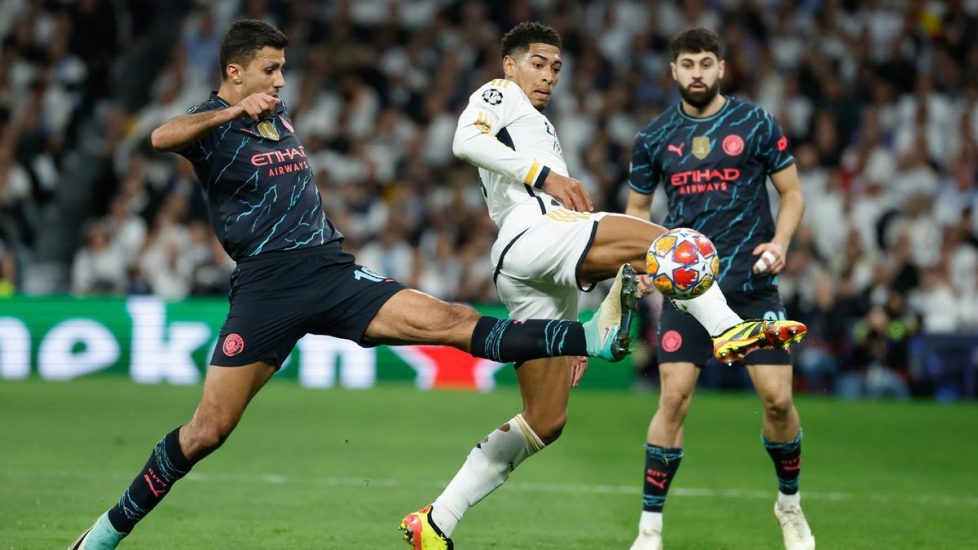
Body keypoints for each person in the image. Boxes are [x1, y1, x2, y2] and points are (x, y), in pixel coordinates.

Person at [68, 19, 640, 550]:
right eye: (271, 69)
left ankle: (588, 337)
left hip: (331, 271)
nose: (281, 80)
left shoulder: (277, 116)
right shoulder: (211, 123)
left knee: (452, 321)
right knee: (207, 431)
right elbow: (159, 137)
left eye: (282, 68)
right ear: (235, 72)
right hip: (267, 288)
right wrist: (230, 112)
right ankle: (102, 537)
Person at [400, 22, 807, 550]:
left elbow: (558, 254)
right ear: (509, 64)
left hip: (527, 264)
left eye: (555, 68)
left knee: (545, 420)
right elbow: (465, 140)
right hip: (533, 230)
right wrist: (546, 177)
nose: (548, 76)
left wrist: (571, 333)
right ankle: (727, 327)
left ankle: (436, 521)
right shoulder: (499, 93)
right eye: (537, 64)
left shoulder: (537, 122)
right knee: (673, 244)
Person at [625, 28, 815, 550]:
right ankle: (649, 531)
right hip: (688, 291)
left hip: (752, 284)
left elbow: (793, 193)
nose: (697, 73)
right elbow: (637, 212)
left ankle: (789, 505)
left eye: (706, 63)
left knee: (778, 400)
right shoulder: (653, 137)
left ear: (721, 68)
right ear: (673, 70)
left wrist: (780, 242)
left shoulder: (755, 123)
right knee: (673, 398)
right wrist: (643, 264)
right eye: (688, 64)